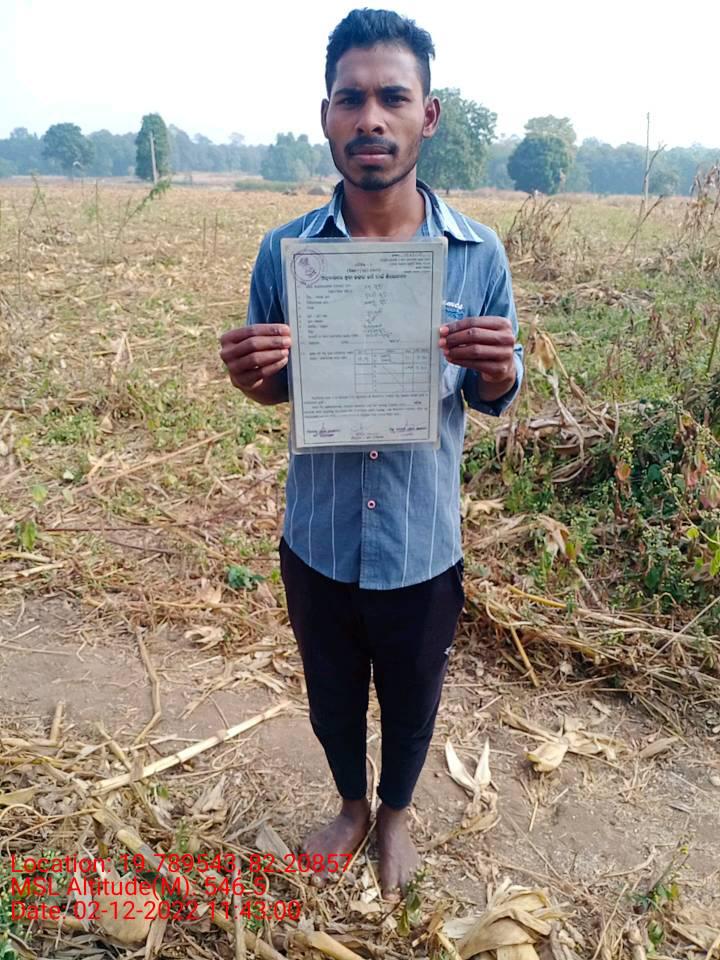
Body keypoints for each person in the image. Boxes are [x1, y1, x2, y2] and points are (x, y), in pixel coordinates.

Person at [219, 8, 524, 900]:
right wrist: (254, 379)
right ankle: (351, 803)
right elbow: (279, 392)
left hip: (423, 538)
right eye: (350, 99)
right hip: (319, 534)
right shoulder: (287, 255)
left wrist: (501, 370)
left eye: (393, 97)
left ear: (429, 115)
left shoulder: (477, 255)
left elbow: (494, 396)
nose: (371, 119)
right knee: (331, 688)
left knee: (414, 689)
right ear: (326, 116)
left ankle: (396, 813)